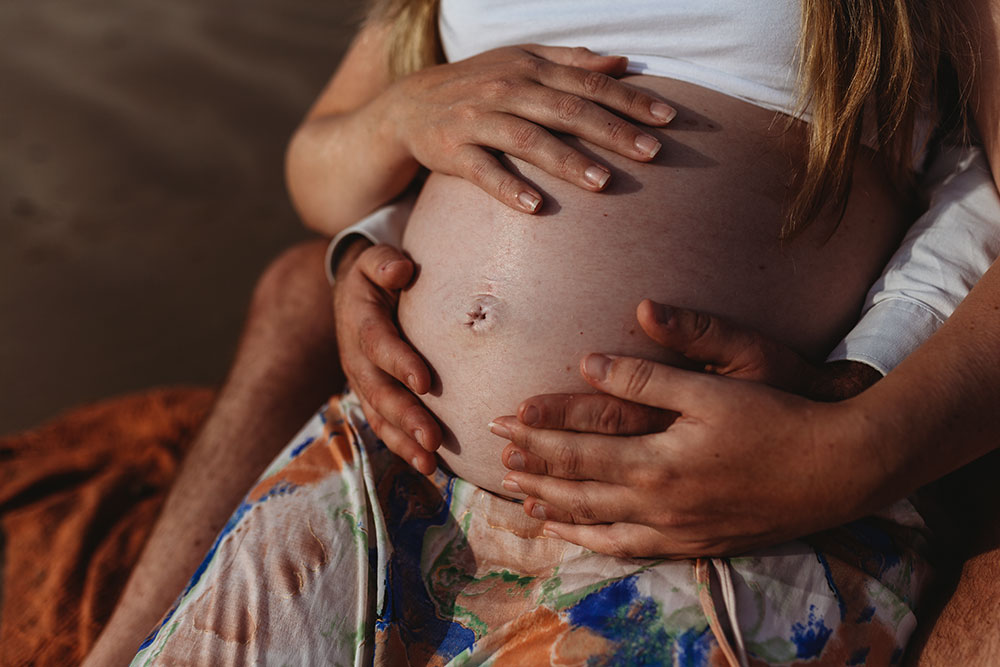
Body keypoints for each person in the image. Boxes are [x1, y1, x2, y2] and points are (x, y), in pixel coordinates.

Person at [86, 0, 1000, 664]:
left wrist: (858, 418)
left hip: (706, 515)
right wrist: (396, 136)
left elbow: (981, 190)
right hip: (397, 464)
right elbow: (319, 165)